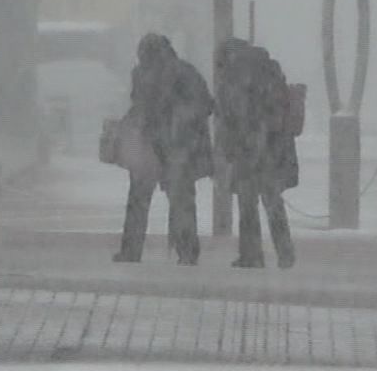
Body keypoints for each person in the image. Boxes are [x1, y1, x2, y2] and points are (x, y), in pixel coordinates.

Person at [115, 33, 213, 264]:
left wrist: (128, 127)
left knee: (139, 199)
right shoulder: (185, 71)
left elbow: (139, 107)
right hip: (177, 147)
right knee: (181, 202)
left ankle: (131, 251)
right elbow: (205, 105)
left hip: (150, 145)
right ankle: (187, 252)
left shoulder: (142, 74)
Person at [214, 37, 298, 269]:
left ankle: (252, 255)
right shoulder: (268, 69)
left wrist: (231, 145)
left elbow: (232, 115)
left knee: (248, 205)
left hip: (248, 149)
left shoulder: (235, 76)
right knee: (273, 203)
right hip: (271, 148)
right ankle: (285, 252)